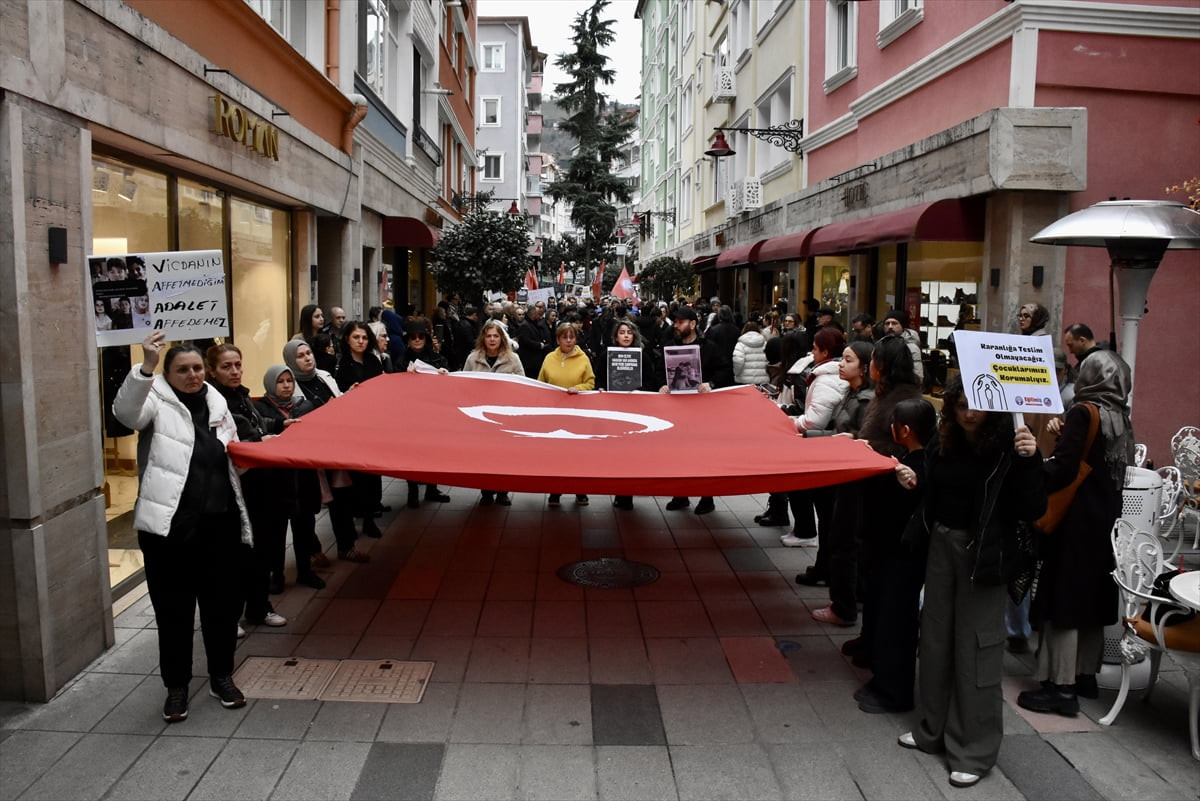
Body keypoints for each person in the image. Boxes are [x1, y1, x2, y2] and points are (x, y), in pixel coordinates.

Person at [898, 376, 1045, 789]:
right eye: (961, 403)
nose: (968, 413)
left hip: (987, 554)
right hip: (943, 544)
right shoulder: (945, 439)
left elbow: (1034, 506)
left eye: (976, 404)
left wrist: (1031, 459)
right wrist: (915, 481)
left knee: (977, 646)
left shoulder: (1010, 445)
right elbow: (934, 485)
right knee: (936, 636)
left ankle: (974, 750)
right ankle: (932, 730)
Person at [112, 331, 253, 722]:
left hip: (220, 526)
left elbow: (232, 455)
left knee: (221, 611)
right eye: (182, 370)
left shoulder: (217, 400)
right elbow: (125, 415)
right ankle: (176, 688)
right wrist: (146, 365)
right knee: (173, 614)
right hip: (169, 531)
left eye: (196, 368)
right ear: (168, 374)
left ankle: (221, 676)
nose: (192, 376)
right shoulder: (154, 400)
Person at [1018, 349, 1131, 716]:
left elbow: (1065, 470)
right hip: (1105, 522)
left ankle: (1061, 689)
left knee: (1064, 600)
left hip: (1075, 522)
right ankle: (1085, 677)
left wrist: (1037, 458)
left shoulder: (1083, 411)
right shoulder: (1121, 417)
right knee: (1091, 600)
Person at [852, 398, 937, 714]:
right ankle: (884, 680)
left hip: (902, 557)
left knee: (897, 623)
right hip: (892, 555)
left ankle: (895, 691)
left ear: (903, 430)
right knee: (887, 618)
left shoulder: (918, 467)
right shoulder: (913, 458)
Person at [205, 343, 288, 629]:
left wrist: (278, 427)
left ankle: (259, 606)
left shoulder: (241, 395)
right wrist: (257, 442)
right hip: (235, 488)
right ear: (212, 371)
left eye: (237, 364)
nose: (234, 371)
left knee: (262, 550)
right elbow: (231, 441)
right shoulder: (212, 401)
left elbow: (255, 426)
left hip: (260, 484)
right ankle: (231, 615)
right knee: (236, 556)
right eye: (226, 366)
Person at [281, 339, 371, 563]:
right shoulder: (287, 384)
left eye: (309, 353)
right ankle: (313, 550)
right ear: (291, 360)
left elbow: (337, 401)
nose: (307, 358)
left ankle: (346, 546)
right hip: (310, 455)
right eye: (300, 356)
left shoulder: (324, 376)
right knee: (309, 505)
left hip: (334, 448)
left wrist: (346, 397)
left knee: (342, 500)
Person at [253, 365, 326, 590]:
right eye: (280, 382)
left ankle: (305, 571)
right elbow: (256, 430)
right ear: (270, 384)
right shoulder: (260, 409)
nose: (286, 386)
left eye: (289, 381)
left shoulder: (305, 406)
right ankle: (277, 575)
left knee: (304, 528)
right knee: (276, 532)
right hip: (274, 480)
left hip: (303, 478)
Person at [781, 327, 849, 555]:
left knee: (823, 505)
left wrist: (790, 422)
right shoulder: (826, 375)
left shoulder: (826, 379)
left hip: (823, 444)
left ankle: (808, 536)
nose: (812, 352)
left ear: (825, 351)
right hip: (828, 440)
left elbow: (814, 422)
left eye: (815, 348)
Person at [661, 305, 731, 515]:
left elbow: (726, 370)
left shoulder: (709, 347)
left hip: (703, 411)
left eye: (681, 322)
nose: (676, 325)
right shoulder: (669, 346)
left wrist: (711, 383)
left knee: (702, 454)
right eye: (675, 321)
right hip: (677, 409)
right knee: (679, 453)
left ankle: (706, 497)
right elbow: (658, 371)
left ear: (693, 324)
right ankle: (681, 494)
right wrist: (662, 384)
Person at [461, 319, 524, 506]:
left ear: (501, 338)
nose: (492, 339)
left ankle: (503, 492)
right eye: (488, 336)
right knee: (484, 456)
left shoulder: (513, 359)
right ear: (483, 338)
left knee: (504, 455)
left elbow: (523, 385)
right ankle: (486, 491)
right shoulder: (473, 358)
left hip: (505, 417)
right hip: (481, 416)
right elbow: (463, 384)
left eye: (496, 336)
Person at [538, 321, 594, 507]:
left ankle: (580, 490)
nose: (569, 341)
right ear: (558, 339)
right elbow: (541, 383)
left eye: (572, 337)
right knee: (556, 455)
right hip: (554, 414)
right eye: (564, 337)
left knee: (577, 454)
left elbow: (590, 383)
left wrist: (577, 388)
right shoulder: (548, 359)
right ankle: (555, 491)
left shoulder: (583, 359)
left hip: (577, 414)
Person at [882, 309, 924, 382]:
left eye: (894, 323)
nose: (890, 326)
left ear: (902, 326)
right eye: (887, 323)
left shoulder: (911, 347)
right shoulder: (881, 344)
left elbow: (918, 375)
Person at [517, 303, 555, 378]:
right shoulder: (525, 325)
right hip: (530, 362)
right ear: (533, 314)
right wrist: (539, 345)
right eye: (538, 314)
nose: (540, 316)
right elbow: (525, 341)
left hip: (536, 361)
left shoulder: (534, 324)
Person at [733, 321, 769, 386]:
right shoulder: (765, 344)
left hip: (745, 380)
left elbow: (738, 361)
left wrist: (737, 374)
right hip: (763, 380)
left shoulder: (740, 344)